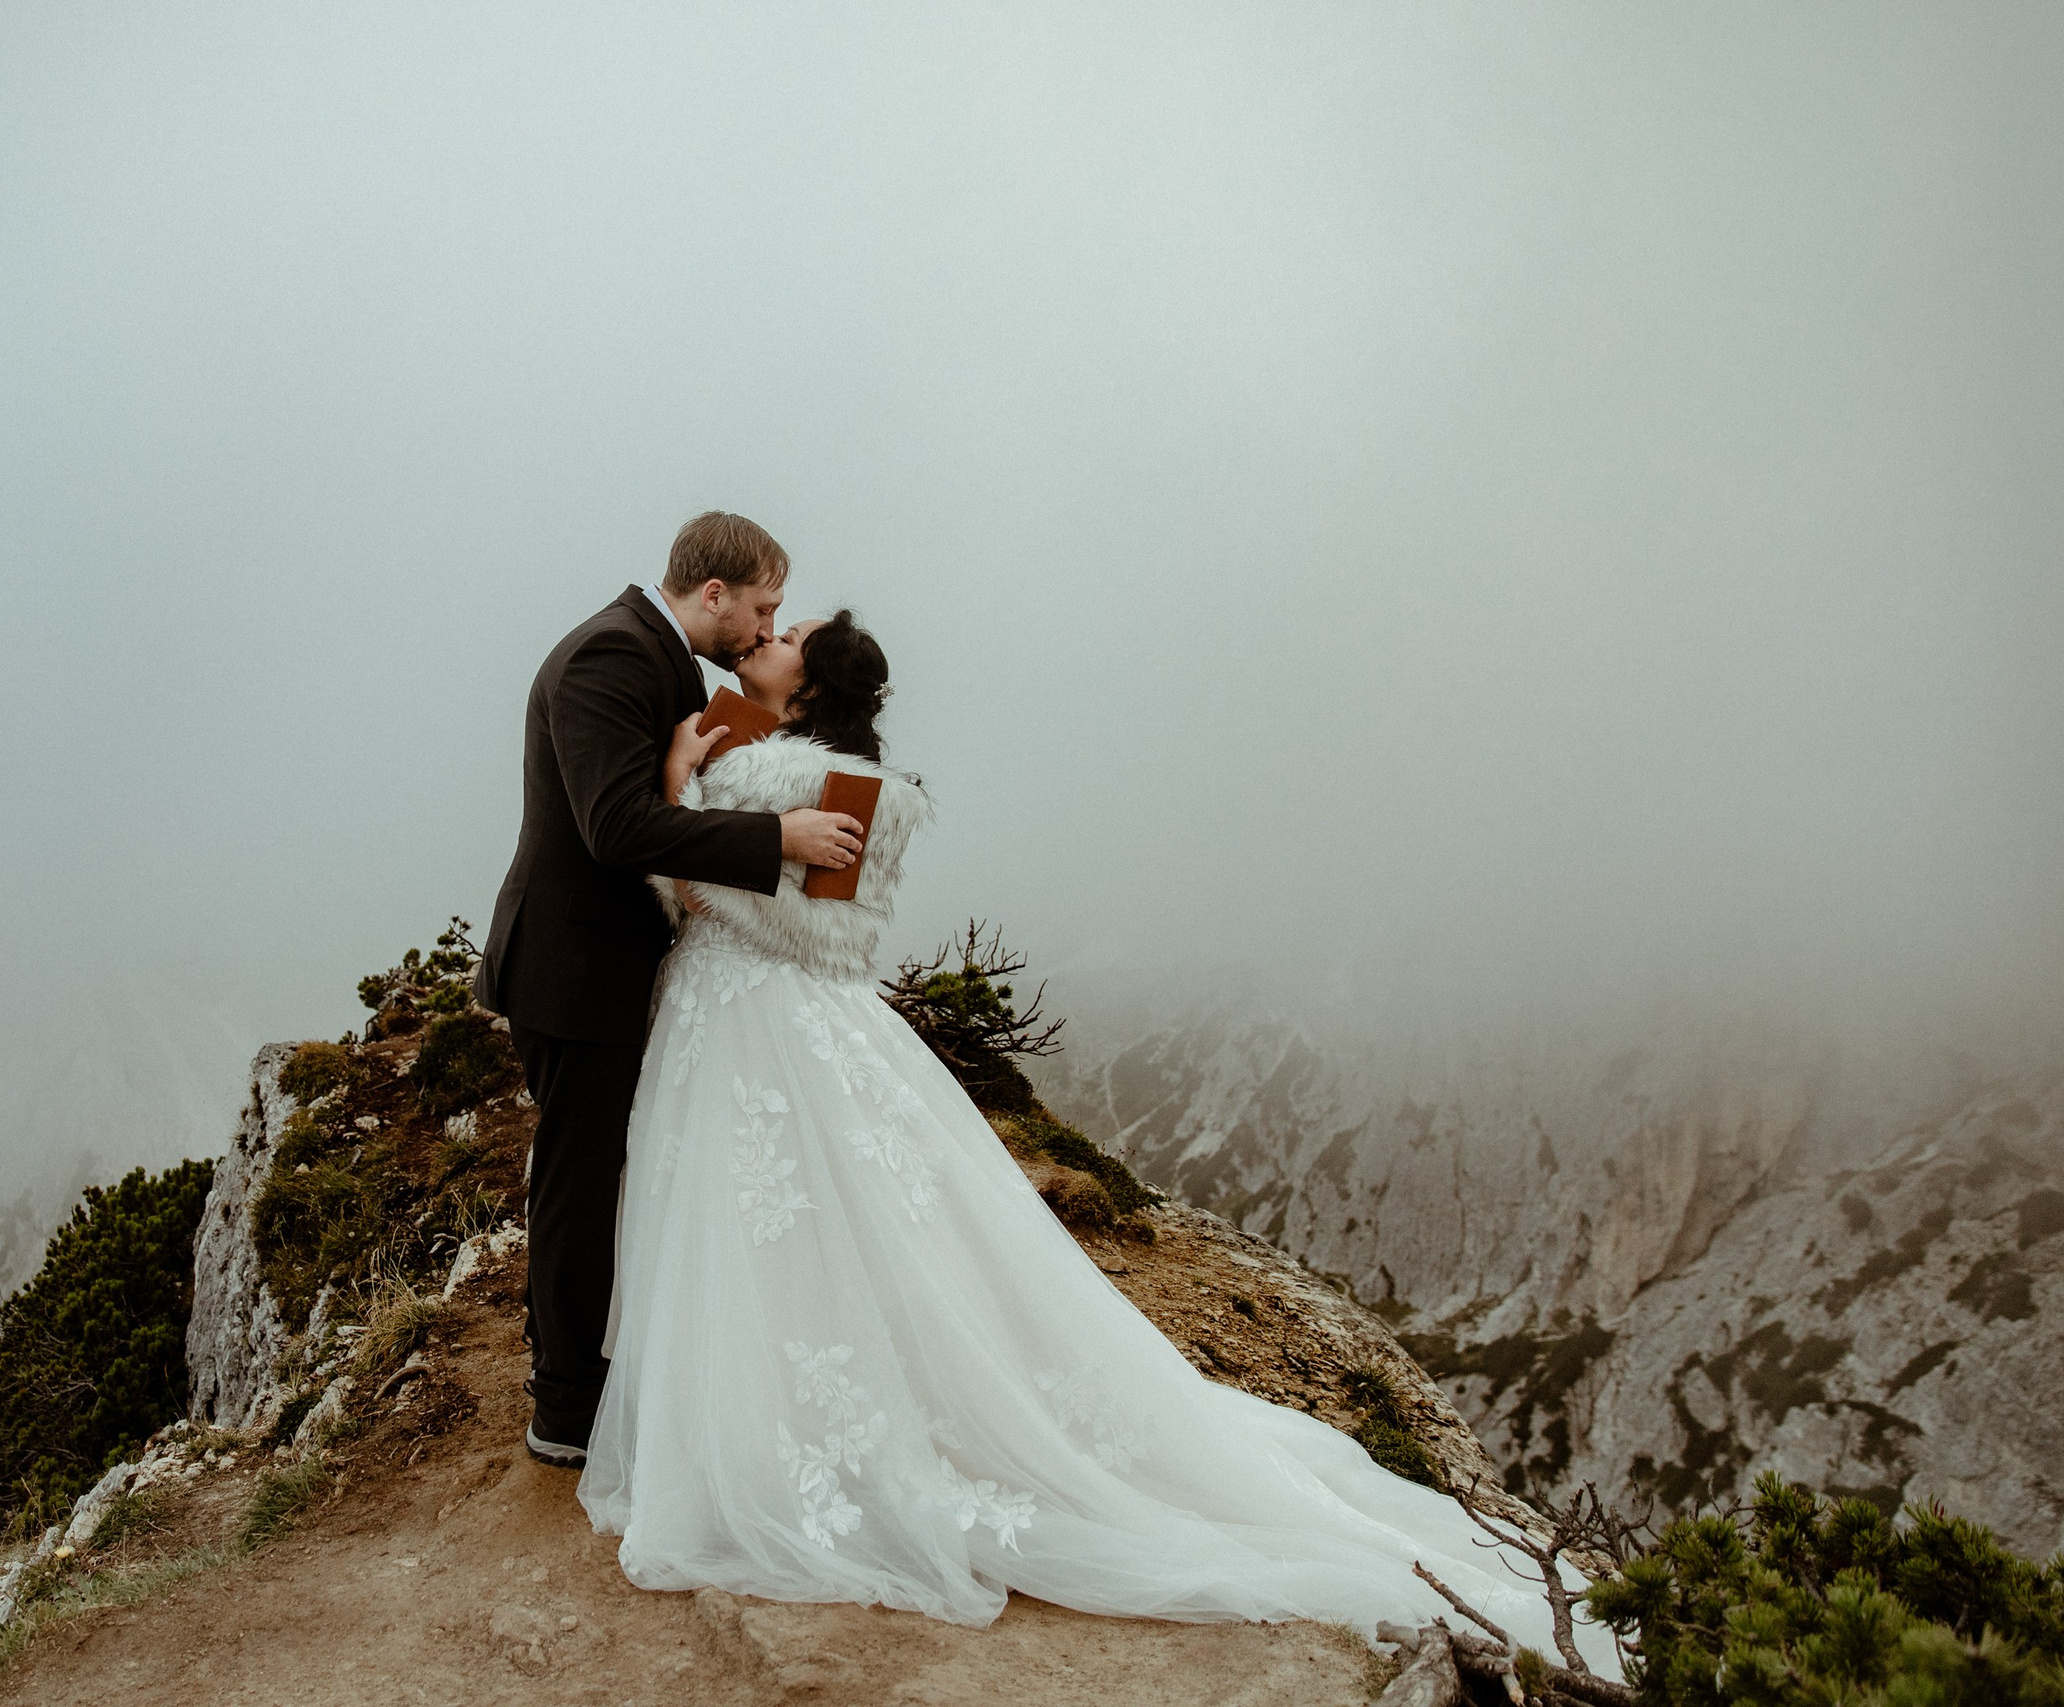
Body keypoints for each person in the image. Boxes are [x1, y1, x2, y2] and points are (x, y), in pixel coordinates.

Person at [575, 606, 1599, 1661]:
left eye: (793, 630)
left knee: (807, 1224)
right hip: (714, 1026)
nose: (771, 633)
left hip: (774, 1024)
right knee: (736, 1233)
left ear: (819, 683)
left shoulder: (859, 793)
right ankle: (740, 1424)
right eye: (769, 622)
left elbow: (830, 944)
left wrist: (679, 810)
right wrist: (699, 797)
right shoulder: (741, 746)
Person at [475, 512, 867, 1469]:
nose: (770, 627)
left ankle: (614, 1372)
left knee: (617, 1172)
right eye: (766, 607)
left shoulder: (671, 664)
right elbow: (615, 826)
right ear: (715, 593)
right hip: (572, 972)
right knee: (579, 1181)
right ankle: (565, 1409)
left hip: (619, 966)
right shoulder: (614, 655)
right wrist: (776, 840)